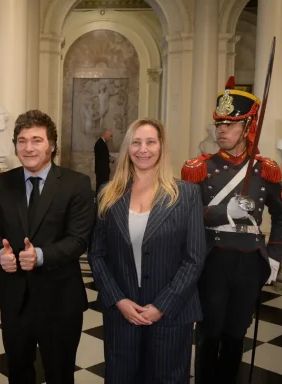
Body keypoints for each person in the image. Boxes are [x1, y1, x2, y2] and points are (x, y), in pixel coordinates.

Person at [182, 76, 282, 384]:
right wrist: (221, 212)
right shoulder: (200, 169)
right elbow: (187, 215)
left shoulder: (263, 169)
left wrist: (273, 256)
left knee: (235, 333)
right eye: (219, 124)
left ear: (248, 128)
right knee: (208, 332)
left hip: (250, 262)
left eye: (230, 125)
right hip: (213, 258)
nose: (221, 131)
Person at [88, 119, 206, 383]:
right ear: (127, 148)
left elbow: (194, 259)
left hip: (172, 313)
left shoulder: (185, 194)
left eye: (150, 142)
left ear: (161, 147)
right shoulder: (108, 194)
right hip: (122, 312)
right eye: (136, 142)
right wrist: (119, 300)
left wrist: (161, 306)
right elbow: (96, 254)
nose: (143, 149)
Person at [0, 109, 95, 384]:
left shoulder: (76, 184)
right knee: (18, 373)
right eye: (22, 141)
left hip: (60, 301)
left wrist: (41, 256)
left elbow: (79, 239)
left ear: (52, 145)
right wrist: (0, 253)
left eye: (36, 140)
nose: (28, 147)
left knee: (60, 374)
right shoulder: (1, 183)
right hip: (15, 301)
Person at [94, 129, 114, 194]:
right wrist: (109, 159)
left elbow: (105, 154)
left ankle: (101, 201)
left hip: (103, 170)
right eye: (110, 136)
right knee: (101, 186)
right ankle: (99, 202)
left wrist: (109, 157)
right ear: (106, 134)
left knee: (103, 187)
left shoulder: (102, 142)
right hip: (101, 170)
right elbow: (101, 157)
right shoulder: (100, 143)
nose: (111, 138)